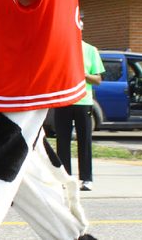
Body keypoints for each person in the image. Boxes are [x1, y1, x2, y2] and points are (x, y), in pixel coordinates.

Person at [55, 37, 105, 192]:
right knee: (62, 141)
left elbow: (97, 79)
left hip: (83, 101)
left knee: (84, 140)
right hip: (63, 100)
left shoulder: (90, 49)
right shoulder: (60, 47)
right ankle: (65, 178)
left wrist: (82, 74)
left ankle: (86, 179)